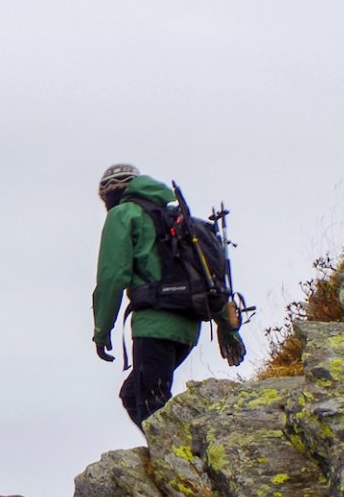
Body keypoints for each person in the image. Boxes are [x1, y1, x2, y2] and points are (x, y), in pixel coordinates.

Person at [92, 163, 246, 429]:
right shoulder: (176, 220)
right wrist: (228, 329)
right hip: (188, 326)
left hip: (154, 323)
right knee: (134, 395)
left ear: (109, 194)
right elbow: (208, 277)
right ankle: (179, 459)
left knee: (150, 403)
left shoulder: (123, 214)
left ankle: (183, 464)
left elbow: (112, 276)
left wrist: (102, 329)